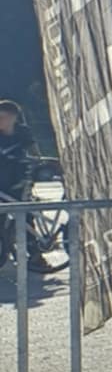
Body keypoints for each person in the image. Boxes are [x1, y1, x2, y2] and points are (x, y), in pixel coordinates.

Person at [0, 99, 53, 273]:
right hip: (2, 180)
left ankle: (36, 256)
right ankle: (5, 251)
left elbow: (34, 152)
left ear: (14, 117)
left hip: (20, 178)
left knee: (25, 215)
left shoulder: (22, 132)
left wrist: (38, 161)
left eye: (3, 117)